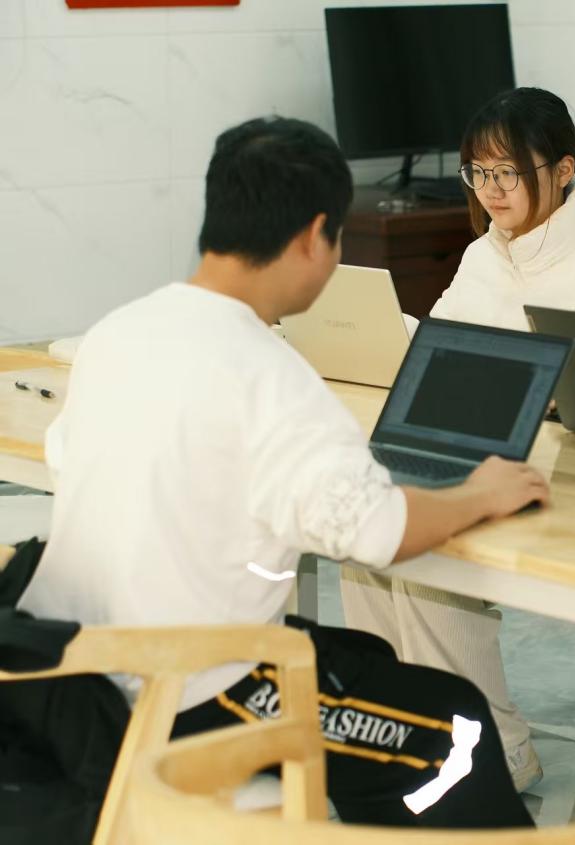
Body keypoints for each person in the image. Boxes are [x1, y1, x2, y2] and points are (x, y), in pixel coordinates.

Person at [17, 116, 546, 829]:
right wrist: (479, 493)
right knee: (455, 728)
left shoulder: (117, 332)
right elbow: (379, 532)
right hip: (187, 691)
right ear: (314, 235)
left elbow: (68, 455)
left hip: (71, 667)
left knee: (361, 660)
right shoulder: (269, 375)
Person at [340, 86, 575, 792]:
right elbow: (444, 347)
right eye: (478, 172)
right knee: (365, 538)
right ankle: (406, 727)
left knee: (421, 545)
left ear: (563, 170)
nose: (489, 189)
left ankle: (495, 749)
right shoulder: (485, 253)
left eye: (507, 172)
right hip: (478, 454)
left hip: (573, 477)